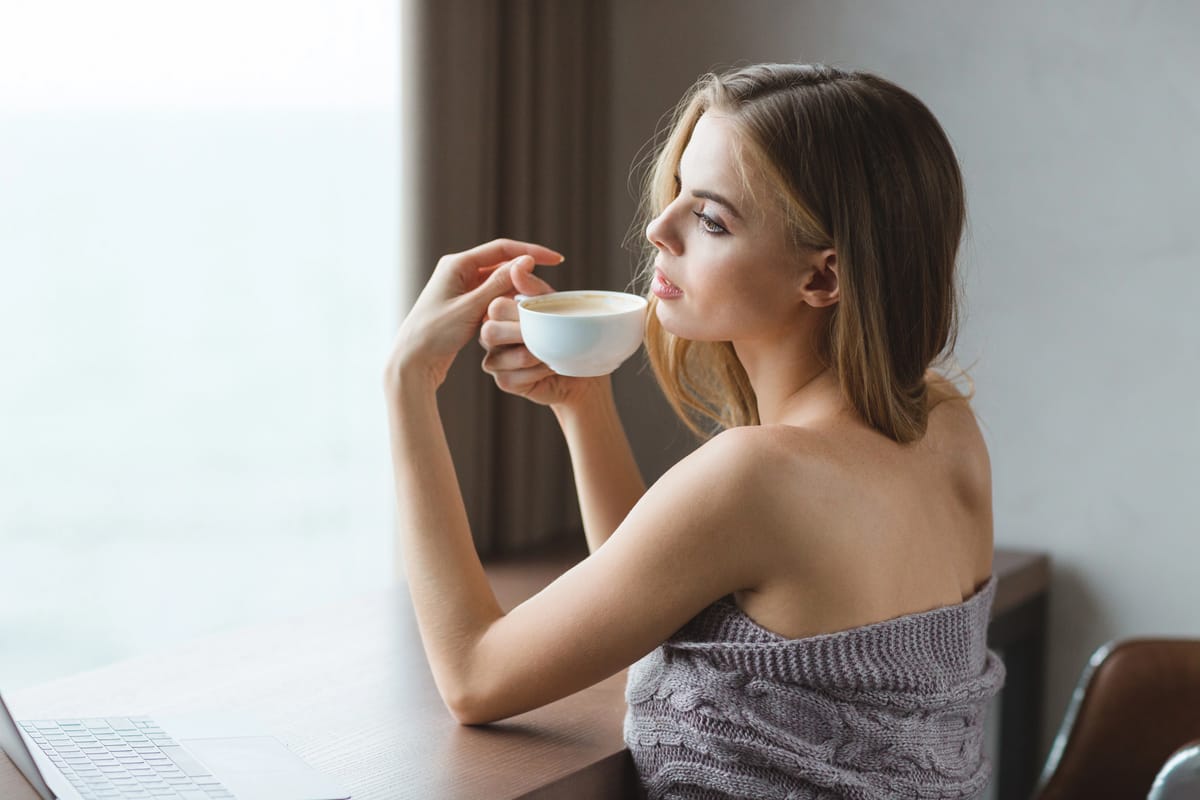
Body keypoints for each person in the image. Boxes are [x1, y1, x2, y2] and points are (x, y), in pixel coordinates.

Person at [383, 62, 1005, 799]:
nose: (658, 227)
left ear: (823, 279)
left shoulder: (758, 475)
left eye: (711, 219)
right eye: (677, 189)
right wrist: (584, 406)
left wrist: (407, 386)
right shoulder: (946, 426)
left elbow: (475, 675)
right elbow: (653, 597)